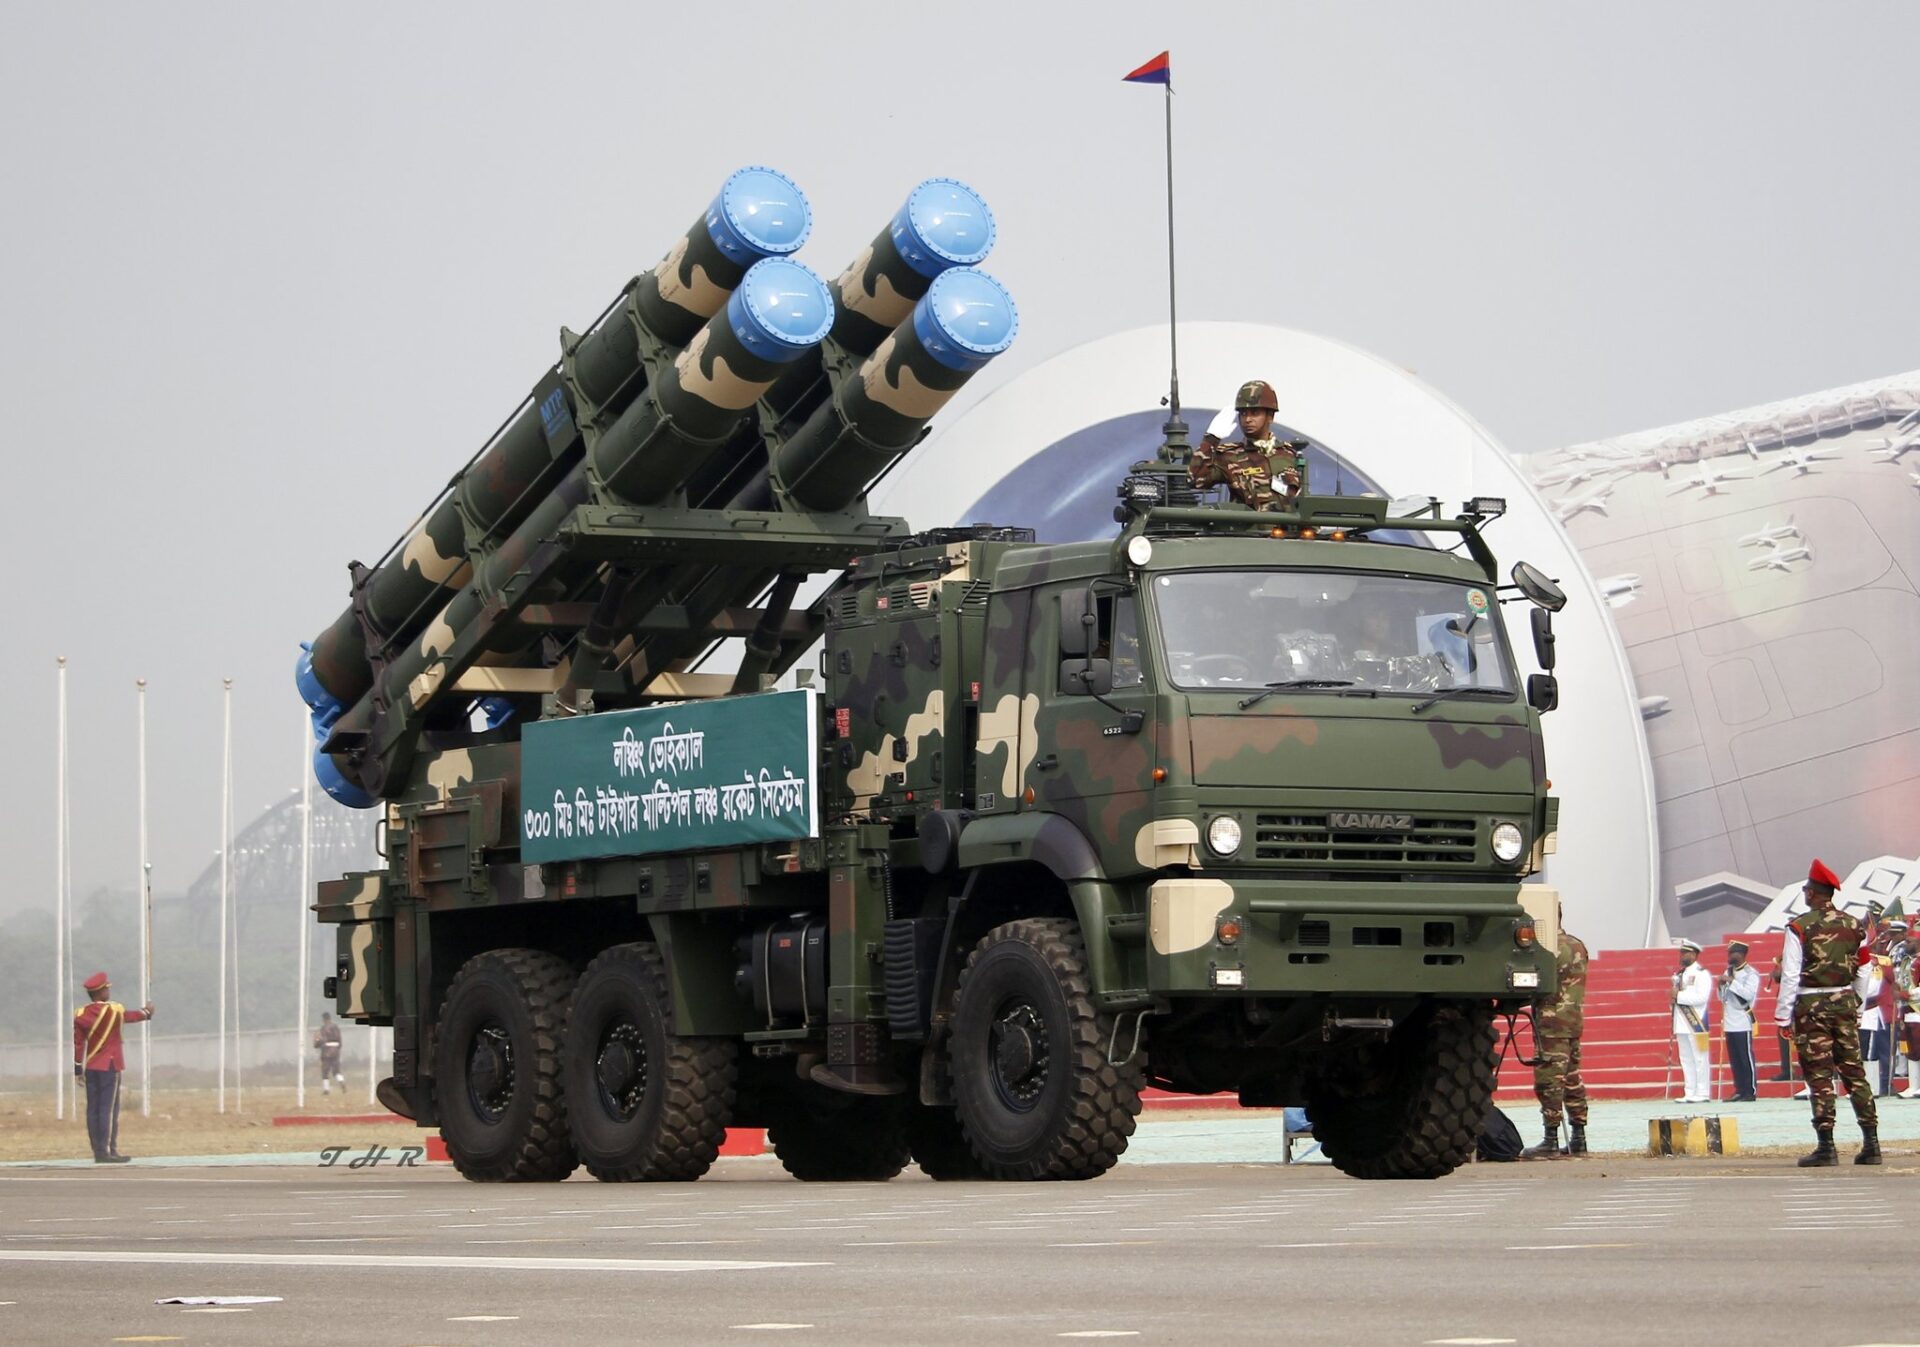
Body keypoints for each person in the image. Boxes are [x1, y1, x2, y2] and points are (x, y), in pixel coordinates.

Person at [1775, 858, 1879, 1166]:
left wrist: (1783, 1016)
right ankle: (1872, 1144)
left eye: (1806, 890)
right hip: (1844, 1001)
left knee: (1819, 1075)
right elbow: (1864, 970)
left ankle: (1826, 1146)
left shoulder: (1799, 927)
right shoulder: (1854, 926)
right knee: (1854, 1073)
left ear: (1812, 893)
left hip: (1811, 1006)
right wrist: (1856, 1006)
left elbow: (1790, 975)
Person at [1524, 916, 1590, 1159]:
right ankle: (1579, 1137)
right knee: (1572, 1079)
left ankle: (1550, 1139)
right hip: (1573, 1020)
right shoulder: (1577, 944)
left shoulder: (1547, 948)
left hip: (1552, 1023)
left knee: (1549, 1080)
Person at [1188, 379, 1310, 511]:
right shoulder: (1230, 455)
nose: (1247, 420)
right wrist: (1211, 439)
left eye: (1255, 413)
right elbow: (1194, 480)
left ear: (1270, 416)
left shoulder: (1288, 454)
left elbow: (1302, 499)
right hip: (1250, 524)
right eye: (1243, 414)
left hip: (1287, 524)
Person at [72, 971, 154, 1164]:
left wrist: (78, 1069)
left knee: (93, 1109)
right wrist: (147, 1012)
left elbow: (79, 1043)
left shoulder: (81, 1014)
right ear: (101, 992)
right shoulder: (114, 1010)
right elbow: (132, 1016)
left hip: (91, 1066)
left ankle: (97, 1150)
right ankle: (108, 1150)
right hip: (109, 1065)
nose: (109, 992)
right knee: (108, 1110)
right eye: (106, 989)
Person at [1717, 941, 1762, 1101]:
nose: (1729, 956)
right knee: (1735, 1059)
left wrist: (1731, 981)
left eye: (1732, 953)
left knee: (1745, 1057)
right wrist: (1720, 986)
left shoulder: (1751, 973)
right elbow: (1722, 998)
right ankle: (1739, 1089)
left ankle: (1750, 1091)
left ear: (1741, 954)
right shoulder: (1728, 971)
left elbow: (1748, 995)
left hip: (1743, 1020)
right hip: (1730, 1020)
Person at [1671, 940, 1713, 1104]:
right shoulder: (1679, 975)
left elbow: (1702, 997)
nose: (1682, 956)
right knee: (1686, 1059)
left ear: (1694, 955)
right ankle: (1689, 1091)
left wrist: (1679, 996)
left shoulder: (1702, 974)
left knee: (1700, 1059)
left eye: (1685, 953)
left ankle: (1702, 1092)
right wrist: (1673, 999)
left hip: (1697, 1022)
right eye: (1681, 953)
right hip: (1681, 1022)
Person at [1895, 924, 1920, 1099]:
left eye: (1909, 941)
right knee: (1911, 1049)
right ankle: (1913, 1086)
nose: (1906, 944)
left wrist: (1909, 994)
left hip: (1918, 1009)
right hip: (1907, 1009)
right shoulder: (1906, 961)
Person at [1766, 954, 1797, 1083]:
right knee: (1783, 1036)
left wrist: (1780, 972)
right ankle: (1787, 1070)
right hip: (1786, 1005)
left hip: (1798, 1005)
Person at [315, 1013, 344, 1095]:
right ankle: (341, 1080)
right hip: (336, 1050)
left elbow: (321, 1040)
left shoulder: (323, 1028)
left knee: (325, 1071)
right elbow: (340, 1040)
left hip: (326, 1051)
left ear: (324, 1019)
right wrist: (338, 1049)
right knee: (336, 1071)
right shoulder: (336, 1027)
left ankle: (326, 1089)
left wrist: (317, 1044)